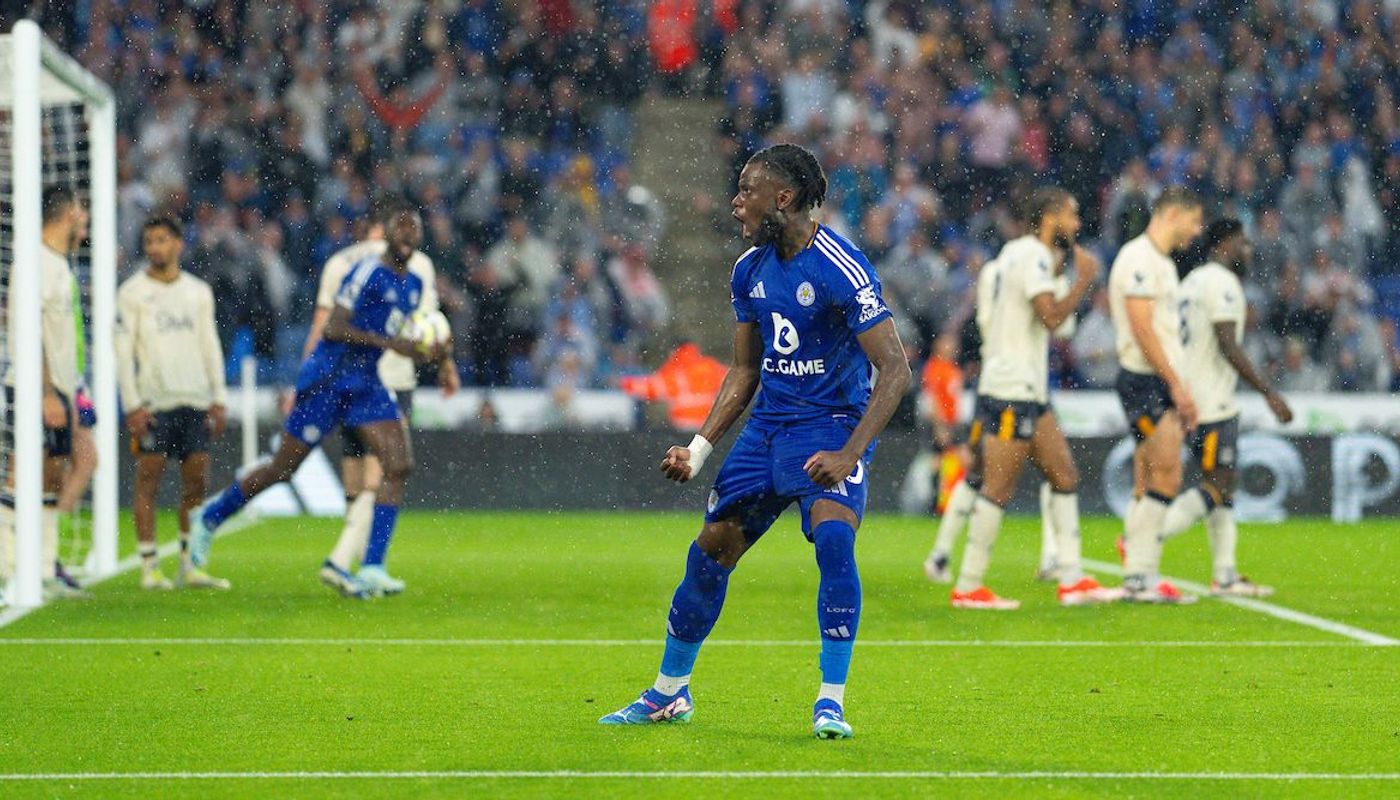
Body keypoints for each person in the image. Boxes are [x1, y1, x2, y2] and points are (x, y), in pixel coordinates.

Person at [598, 143, 911, 739]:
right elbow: (743, 372)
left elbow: (894, 369)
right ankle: (669, 693)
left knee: (834, 543)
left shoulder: (841, 267)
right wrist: (699, 448)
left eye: (748, 189)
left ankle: (830, 702)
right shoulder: (748, 270)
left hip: (832, 430)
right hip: (767, 429)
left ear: (784, 198)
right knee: (711, 549)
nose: (737, 200)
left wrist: (849, 453)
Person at [189, 208, 451, 596]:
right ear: (387, 234)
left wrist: (433, 356)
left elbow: (404, 333)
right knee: (282, 469)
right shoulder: (365, 272)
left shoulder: (413, 285)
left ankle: (374, 565)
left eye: (415, 228)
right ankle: (211, 516)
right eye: (401, 226)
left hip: (365, 383)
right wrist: (392, 345)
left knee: (398, 464)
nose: (408, 234)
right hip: (328, 379)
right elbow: (334, 326)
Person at [947, 188, 1117, 609]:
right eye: (1072, 215)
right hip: (1012, 390)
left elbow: (1057, 328)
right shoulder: (1032, 256)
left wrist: (1066, 279)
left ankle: (1072, 578)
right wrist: (1082, 280)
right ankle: (968, 585)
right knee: (998, 488)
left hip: (1025, 390)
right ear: (1051, 216)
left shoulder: (1014, 257)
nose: (1077, 225)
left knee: (1065, 475)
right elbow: (1053, 316)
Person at [301, 201, 458, 599]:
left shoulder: (410, 268)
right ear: (380, 228)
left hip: (372, 381)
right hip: (369, 381)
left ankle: (353, 564)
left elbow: (428, 325)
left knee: (369, 479)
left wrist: (444, 361)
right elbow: (327, 324)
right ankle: (352, 563)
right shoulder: (357, 266)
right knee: (373, 479)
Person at [1158, 219, 1293, 596]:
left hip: (1192, 395)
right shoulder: (1223, 283)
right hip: (1212, 401)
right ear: (1222, 246)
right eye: (1241, 244)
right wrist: (1268, 392)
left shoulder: (1192, 282)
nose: (1247, 252)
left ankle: (1226, 573)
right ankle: (1147, 536)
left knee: (1222, 488)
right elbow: (1227, 345)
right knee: (1220, 483)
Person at [115, 216, 231, 591]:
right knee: (148, 481)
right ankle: (149, 566)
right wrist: (132, 404)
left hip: (194, 398)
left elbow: (210, 345)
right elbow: (122, 353)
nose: (154, 248)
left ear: (178, 244)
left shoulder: (197, 292)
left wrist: (219, 397)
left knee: (196, 481)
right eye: (149, 241)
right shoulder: (132, 293)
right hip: (154, 402)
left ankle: (189, 563)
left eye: (161, 240)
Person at [1108, 186, 1204, 604]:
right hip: (1145, 381)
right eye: (1194, 221)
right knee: (1167, 473)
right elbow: (1142, 327)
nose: (1197, 231)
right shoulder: (1139, 259)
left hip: (1157, 382)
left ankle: (1139, 572)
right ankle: (1141, 576)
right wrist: (1177, 386)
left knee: (1149, 476)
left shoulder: (1161, 263)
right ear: (1172, 214)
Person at [2, 185, 89, 600]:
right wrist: (46, 393)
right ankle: (8, 567)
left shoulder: (57, 264)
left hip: (60, 389)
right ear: (69, 213)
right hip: (37, 389)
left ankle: (40, 566)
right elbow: (29, 333)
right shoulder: (35, 262)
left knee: (52, 475)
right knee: (23, 476)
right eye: (83, 211)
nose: (86, 219)